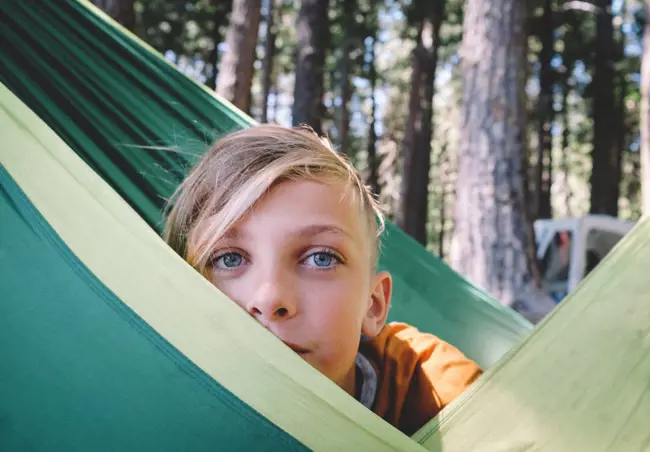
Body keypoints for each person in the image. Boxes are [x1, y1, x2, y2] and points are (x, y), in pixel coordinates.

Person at [163, 124, 482, 436]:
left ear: (373, 306)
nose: (269, 298)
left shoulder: (437, 390)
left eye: (321, 258)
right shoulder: (146, 394)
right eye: (228, 259)